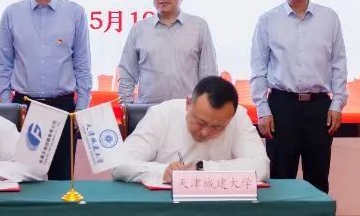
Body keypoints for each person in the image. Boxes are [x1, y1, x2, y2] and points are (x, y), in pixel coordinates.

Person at [250, 0, 347, 194]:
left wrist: (337, 103)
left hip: (319, 108)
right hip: (281, 107)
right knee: (280, 179)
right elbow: (258, 68)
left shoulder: (329, 18)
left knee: (318, 178)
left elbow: (339, 63)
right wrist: (262, 109)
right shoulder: (268, 20)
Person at [0, 0, 92, 181]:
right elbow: (3, 64)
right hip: (24, 106)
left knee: (62, 180)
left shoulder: (75, 13)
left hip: (63, 107)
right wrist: (8, 107)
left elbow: (82, 64)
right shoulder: (11, 13)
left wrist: (81, 108)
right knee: (23, 177)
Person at [112, 76, 269, 185]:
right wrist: (163, 171)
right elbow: (119, 164)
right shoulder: (162, 114)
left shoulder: (238, 117)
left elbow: (261, 166)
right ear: (188, 103)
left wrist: (202, 169)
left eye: (217, 127)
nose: (205, 132)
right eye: (201, 122)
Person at [117, 0, 218, 104]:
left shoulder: (199, 26)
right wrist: (126, 107)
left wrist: (207, 107)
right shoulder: (139, 29)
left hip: (187, 111)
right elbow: (126, 73)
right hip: (148, 112)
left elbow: (209, 74)